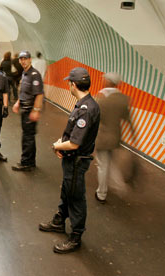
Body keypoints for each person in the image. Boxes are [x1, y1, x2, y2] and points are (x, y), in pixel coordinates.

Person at [38, 67, 100, 254]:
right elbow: (72, 135)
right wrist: (61, 144)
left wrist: (57, 146)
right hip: (71, 159)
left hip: (76, 161)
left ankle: (76, 236)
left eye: (69, 83)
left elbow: (74, 143)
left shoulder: (87, 109)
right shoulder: (83, 104)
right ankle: (59, 221)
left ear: (73, 84)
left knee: (75, 198)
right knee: (67, 191)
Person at [94, 72, 134, 203]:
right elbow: (128, 119)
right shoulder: (123, 99)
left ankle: (101, 194)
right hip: (115, 137)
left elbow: (94, 118)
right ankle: (120, 186)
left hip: (103, 137)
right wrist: (134, 137)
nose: (103, 81)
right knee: (110, 163)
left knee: (102, 165)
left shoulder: (102, 98)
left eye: (105, 80)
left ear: (109, 82)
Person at [11, 51, 44, 171]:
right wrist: (18, 102)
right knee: (28, 136)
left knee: (28, 137)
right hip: (24, 108)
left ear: (30, 59)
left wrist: (35, 110)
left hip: (30, 109)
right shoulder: (25, 74)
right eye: (21, 59)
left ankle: (26, 162)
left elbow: (39, 94)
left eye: (25, 58)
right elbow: (24, 91)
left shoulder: (35, 74)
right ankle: (30, 161)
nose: (23, 61)